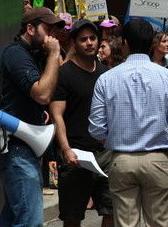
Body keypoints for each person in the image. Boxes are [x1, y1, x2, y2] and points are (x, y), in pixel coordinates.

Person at [88, 19, 168, 226]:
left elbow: (97, 128)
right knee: (160, 223)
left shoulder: (107, 79)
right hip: (158, 158)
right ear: (152, 44)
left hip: (121, 159)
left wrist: (114, 141)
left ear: (125, 42)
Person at [0, 7, 64, 226]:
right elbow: (43, 93)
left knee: (14, 214)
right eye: (47, 29)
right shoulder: (16, 53)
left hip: (19, 146)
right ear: (30, 28)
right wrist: (55, 54)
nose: (52, 36)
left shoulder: (25, 55)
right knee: (30, 219)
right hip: (16, 147)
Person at [49, 19, 113, 227]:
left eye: (93, 38)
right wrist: (66, 150)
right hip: (76, 155)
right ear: (74, 43)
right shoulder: (64, 73)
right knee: (72, 217)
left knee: (111, 211)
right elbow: (57, 115)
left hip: (105, 154)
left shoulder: (106, 74)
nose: (89, 43)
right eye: (83, 39)